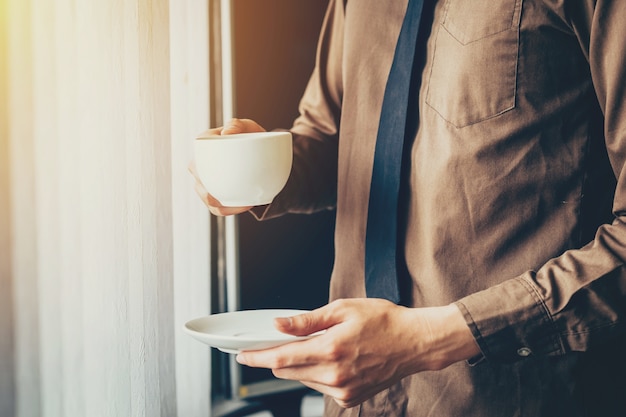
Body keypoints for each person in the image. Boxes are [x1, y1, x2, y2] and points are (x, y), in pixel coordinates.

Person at [191, 1, 626, 416]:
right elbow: (336, 141)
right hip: (353, 402)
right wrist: (256, 169)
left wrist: (429, 339)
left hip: (513, 400)